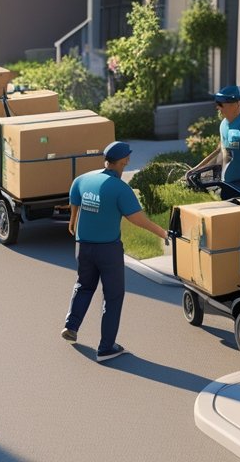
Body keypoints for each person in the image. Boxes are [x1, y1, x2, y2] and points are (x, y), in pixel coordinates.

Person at [62, 141, 170, 362]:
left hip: (83, 246)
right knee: (112, 296)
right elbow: (137, 219)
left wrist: (73, 221)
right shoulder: (120, 188)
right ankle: (106, 347)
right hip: (107, 250)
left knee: (83, 285)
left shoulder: (83, 179)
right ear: (125, 161)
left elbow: (75, 199)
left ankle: (71, 326)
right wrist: (162, 232)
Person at [189, 85, 240, 199]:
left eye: (221, 104)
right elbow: (221, 153)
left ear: (237, 104)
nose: (218, 107)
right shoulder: (223, 125)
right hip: (227, 185)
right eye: (217, 104)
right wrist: (195, 170)